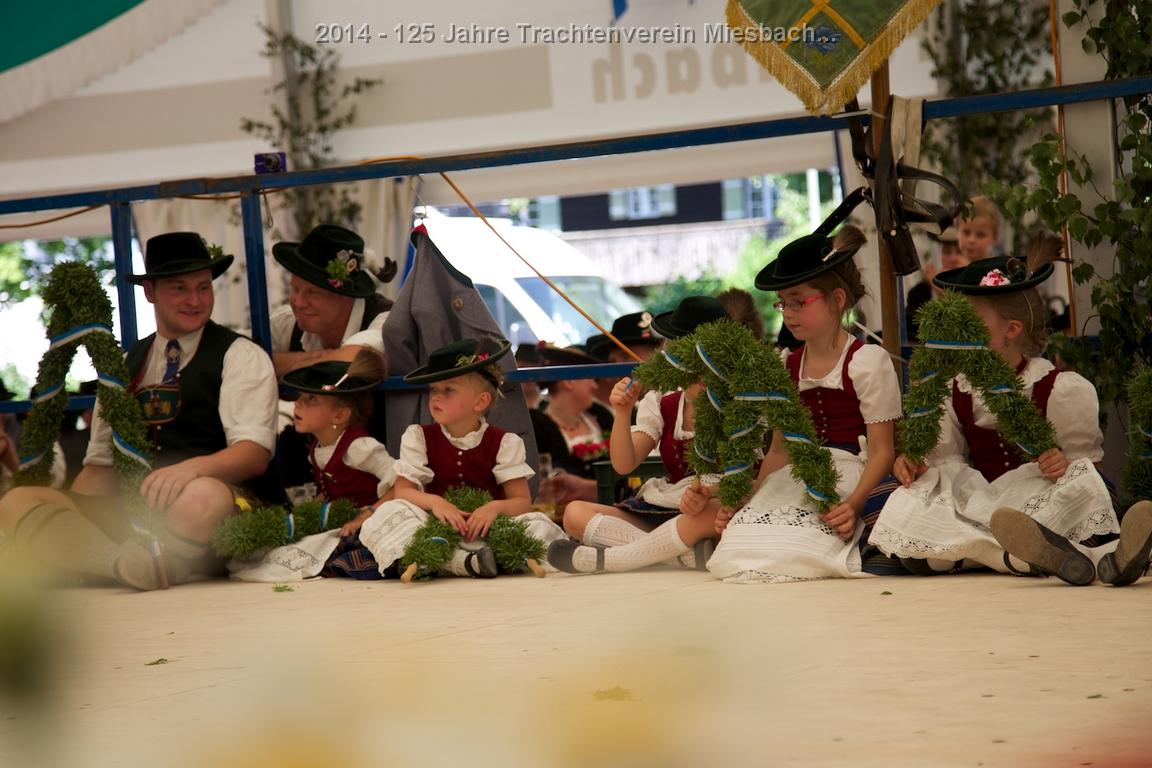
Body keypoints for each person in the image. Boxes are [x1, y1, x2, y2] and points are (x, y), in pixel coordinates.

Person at [551, 226, 902, 580]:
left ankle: (618, 559)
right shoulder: (784, 365)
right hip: (780, 480)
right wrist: (754, 494)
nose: (788, 313)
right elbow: (779, 451)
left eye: (798, 301)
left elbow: (882, 451)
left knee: (766, 546)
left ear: (837, 299)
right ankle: (673, 554)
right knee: (737, 544)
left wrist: (852, 504)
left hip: (845, 475)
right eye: (783, 303)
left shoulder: (865, 361)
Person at [0, 232, 280, 590]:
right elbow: (100, 467)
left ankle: (145, 561)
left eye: (203, 287)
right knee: (17, 500)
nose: (195, 300)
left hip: (213, 508)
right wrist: (76, 513)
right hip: (135, 514)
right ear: (150, 292)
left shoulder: (239, 354)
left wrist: (192, 469)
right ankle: (127, 563)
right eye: (179, 289)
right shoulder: (124, 364)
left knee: (203, 496)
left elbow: (254, 455)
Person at [869, 235, 1141, 585]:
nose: (959, 329)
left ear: (1011, 330)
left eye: (970, 320)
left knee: (1088, 490)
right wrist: (919, 465)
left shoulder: (1057, 388)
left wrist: (1062, 463)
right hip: (983, 497)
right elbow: (950, 462)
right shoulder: (954, 388)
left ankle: (1104, 556)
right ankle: (1024, 557)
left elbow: (1085, 466)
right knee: (909, 505)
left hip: (1038, 491)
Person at [354, 338, 563, 578]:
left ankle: (478, 558)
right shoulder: (418, 436)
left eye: (448, 390)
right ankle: (463, 562)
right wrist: (437, 503)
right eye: (433, 389)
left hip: (489, 528)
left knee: (537, 523)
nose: (436, 397)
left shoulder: (505, 442)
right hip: (436, 527)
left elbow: (521, 502)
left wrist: (493, 509)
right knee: (389, 512)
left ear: (480, 401)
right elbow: (403, 491)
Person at [554, 296, 729, 570]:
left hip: (713, 511)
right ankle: (678, 556)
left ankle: (614, 559)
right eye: (686, 357)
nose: (697, 369)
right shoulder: (662, 401)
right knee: (575, 513)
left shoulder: (743, 400)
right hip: (666, 506)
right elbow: (624, 464)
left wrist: (708, 493)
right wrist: (623, 413)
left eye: (707, 357)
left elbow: (754, 477)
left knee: (712, 513)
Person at [269, 224, 395, 493]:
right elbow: (248, 359)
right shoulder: (287, 322)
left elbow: (355, 360)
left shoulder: (385, 320)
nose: (298, 302)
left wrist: (281, 364)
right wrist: (320, 357)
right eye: (295, 289)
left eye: (312, 293)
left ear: (346, 294)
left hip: (379, 485)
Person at [277, 349, 398, 578]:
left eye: (311, 399)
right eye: (300, 396)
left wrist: (367, 515)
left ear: (340, 416)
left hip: (372, 522)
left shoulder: (359, 447)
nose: (298, 404)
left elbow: (401, 482)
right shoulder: (317, 448)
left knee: (347, 551)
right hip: (343, 521)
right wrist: (303, 516)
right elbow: (329, 491)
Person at [530, 343, 615, 508]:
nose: (595, 386)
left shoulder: (601, 417)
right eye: (590, 378)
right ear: (569, 381)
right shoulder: (538, 427)